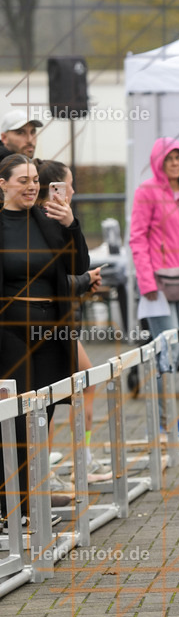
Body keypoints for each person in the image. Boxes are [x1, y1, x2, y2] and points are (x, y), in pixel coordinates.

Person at [0, 154, 89, 524]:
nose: (32, 187)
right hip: (9, 331)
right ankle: (13, 506)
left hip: (51, 329)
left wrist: (71, 225)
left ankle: (32, 501)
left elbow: (77, 266)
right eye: (22, 180)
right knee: (17, 417)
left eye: (35, 180)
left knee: (44, 413)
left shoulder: (49, 219)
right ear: (2, 184)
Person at [37, 160, 109, 488]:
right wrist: (82, 281)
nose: (73, 191)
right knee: (49, 395)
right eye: (67, 184)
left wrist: (82, 277)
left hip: (61, 321)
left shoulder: (61, 220)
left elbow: (76, 264)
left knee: (81, 384)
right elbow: (49, 279)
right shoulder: (34, 222)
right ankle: (50, 470)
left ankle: (78, 459)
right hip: (40, 324)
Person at [129, 137, 179, 437]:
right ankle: (166, 422)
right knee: (166, 354)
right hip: (157, 285)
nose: (174, 163)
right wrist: (147, 281)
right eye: (169, 158)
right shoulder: (146, 192)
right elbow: (137, 238)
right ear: (158, 161)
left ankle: (169, 420)